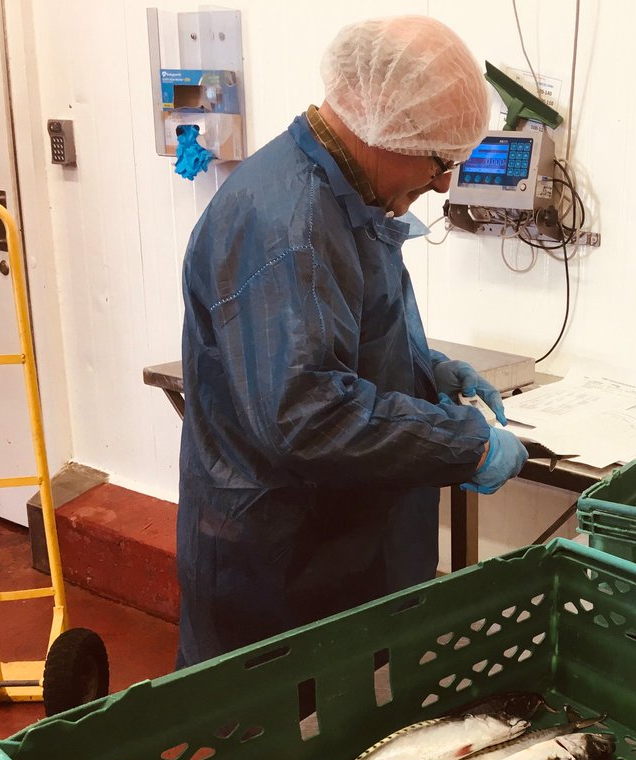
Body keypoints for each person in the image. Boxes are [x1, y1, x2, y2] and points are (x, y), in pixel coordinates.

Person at [175, 16, 528, 668]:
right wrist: (467, 444)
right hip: (284, 564)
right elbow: (308, 414)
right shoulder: (290, 225)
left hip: (335, 541)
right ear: (389, 131)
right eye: (442, 160)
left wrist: (427, 369)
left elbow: (350, 328)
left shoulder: (341, 188)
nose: (446, 183)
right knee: (280, 748)